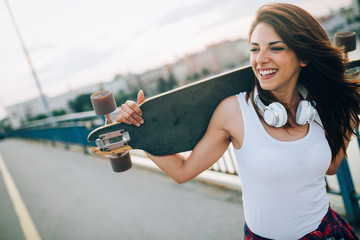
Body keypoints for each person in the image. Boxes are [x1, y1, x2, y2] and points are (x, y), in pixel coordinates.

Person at [115, 3, 360, 239]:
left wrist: (348, 109)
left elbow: (331, 166)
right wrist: (139, 131)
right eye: (255, 49)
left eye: (275, 48)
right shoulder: (235, 111)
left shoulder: (322, 104)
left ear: (303, 57)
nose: (260, 59)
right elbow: (182, 171)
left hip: (328, 232)